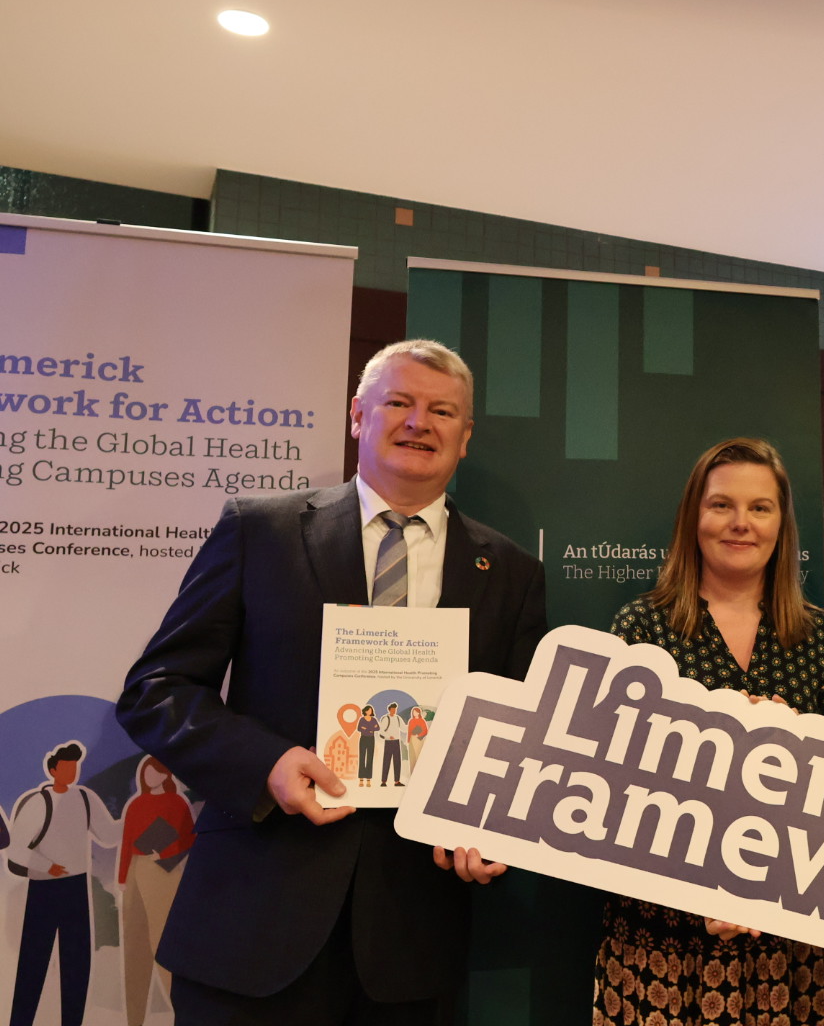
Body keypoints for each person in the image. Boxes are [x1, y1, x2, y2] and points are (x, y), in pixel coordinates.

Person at [116, 339, 547, 1025]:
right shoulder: (260, 531)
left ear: (465, 437)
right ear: (358, 416)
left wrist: (490, 825)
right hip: (253, 926)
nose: (419, 422)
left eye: (443, 411)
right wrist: (269, 765)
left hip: (411, 945)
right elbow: (158, 689)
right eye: (399, 403)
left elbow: (519, 739)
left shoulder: (513, 572)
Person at [594, 437, 824, 1026]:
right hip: (659, 942)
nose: (741, 523)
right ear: (694, 517)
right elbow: (602, 787)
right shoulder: (641, 628)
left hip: (784, 943)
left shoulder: (814, 636)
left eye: (760, 508)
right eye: (721, 505)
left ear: (781, 524)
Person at [7, 741, 120, 1026]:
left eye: (75, 765)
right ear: (53, 769)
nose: (72, 770)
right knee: (33, 962)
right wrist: (49, 866)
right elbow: (16, 848)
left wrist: (135, 816)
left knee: (77, 963)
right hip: (44, 888)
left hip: (76, 888)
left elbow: (108, 834)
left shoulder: (85, 798)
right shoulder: (38, 802)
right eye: (67, 766)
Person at [118, 756, 196, 1026]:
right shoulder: (136, 804)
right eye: (146, 772)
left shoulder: (176, 803)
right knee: (134, 943)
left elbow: (189, 839)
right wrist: (122, 879)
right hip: (136, 870)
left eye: (155, 772)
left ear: (165, 775)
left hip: (163, 872)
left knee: (162, 942)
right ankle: (134, 1019)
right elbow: (128, 842)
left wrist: (165, 853)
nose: (150, 776)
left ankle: (181, 1012)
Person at [377, 702, 406, 786]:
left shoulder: (398, 718)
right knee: (387, 761)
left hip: (396, 741)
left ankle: (397, 781)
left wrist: (411, 727)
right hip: (389, 742)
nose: (394, 711)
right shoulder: (386, 718)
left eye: (395, 709)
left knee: (397, 761)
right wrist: (389, 736)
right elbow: (381, 731)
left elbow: (403, 728)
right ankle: (383, 781)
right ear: (389, 710)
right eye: (393, 709)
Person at [355, 704, 378, 788]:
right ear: (365, 711)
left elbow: (377, 728)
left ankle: (368, 779)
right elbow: (359, 728)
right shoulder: (362, 719)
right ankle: (361, 779)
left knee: (370, 758)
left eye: (371, 710)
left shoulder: (374, 719)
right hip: (363, 738)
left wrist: (367, 728)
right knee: (362, 757)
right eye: (368, 710)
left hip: (371, 739)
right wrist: (371, 729)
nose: (370, 711)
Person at [405, 706, 429, 773]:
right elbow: (409, 731)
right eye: (413, 712)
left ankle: (420, 772)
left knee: (419, 755)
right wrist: (408, 740)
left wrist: (419, 735)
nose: (414, 713)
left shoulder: (422, 721)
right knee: (412, 757)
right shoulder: (411, 721)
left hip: (419, 739)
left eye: (415, 712)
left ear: (419, 713)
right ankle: (412, 772)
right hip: (412, 739)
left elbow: (426, 730)